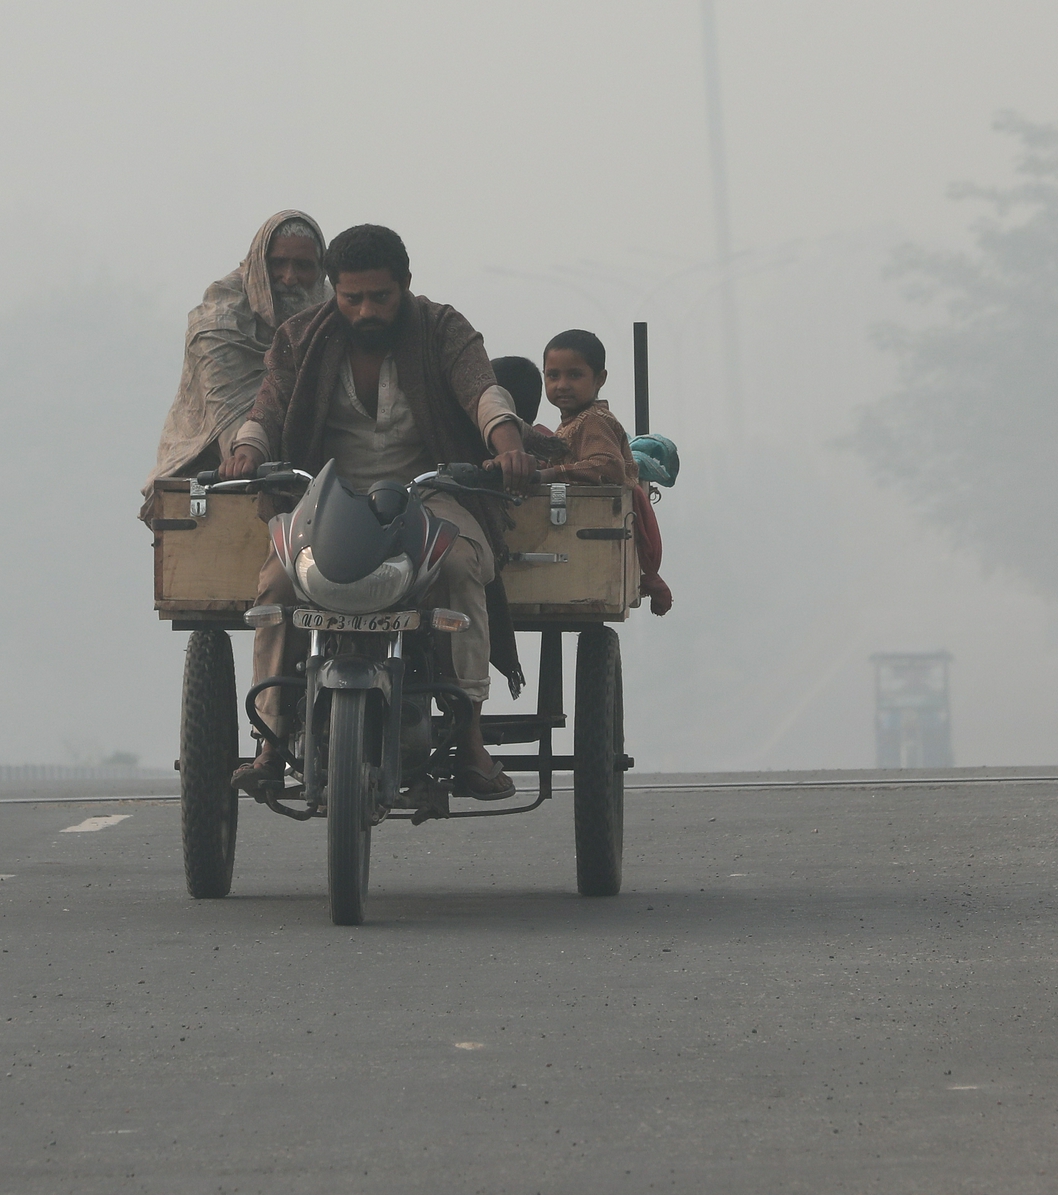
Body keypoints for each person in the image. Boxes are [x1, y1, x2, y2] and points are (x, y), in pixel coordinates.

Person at [223, 224, 533, 801]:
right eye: (352, 298)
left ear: (406, 287)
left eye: (380, 297)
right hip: (326, 493)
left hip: (429, 488)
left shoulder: (442, 329)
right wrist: (248, 451)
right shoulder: (300, 338)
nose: (366, 310)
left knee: (465, 568)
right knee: (275, 581)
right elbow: (268, 407)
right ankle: (271, 739)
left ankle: (468, 735)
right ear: (332, 291)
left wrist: (505, 439)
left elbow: (482, 390)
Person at [143, 212, 329, 500]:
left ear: (320, 271)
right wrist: (248, 454)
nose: (289, 278)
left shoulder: (332, 308)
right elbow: (232, 421)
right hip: (209, 478)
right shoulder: (219, 321)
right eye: (278, 263)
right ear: (258, 263)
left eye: (303, 266)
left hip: (308, 477)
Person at [535, 329, 672, 615]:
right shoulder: (573, 422)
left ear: (600, 379)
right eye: (553, 375)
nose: (562, 385)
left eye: (574, 375)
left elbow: (608, 466)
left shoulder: (593, 421)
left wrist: (553, 473)